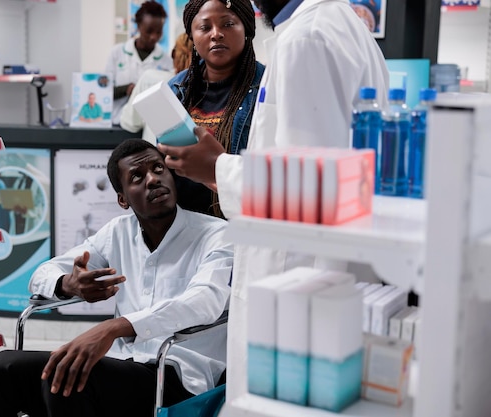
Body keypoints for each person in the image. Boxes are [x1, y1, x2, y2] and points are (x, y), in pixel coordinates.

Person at [157, 0, 389, 403]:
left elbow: (311, 186)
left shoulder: (306, 38)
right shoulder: (334, 24)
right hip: (318, 274)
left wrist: (217, 169)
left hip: (301, 280)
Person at [0, 139, 233, 417]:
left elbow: (205, 301)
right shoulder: (117, 233)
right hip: (122, 365)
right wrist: (67, 284)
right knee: (0, 370)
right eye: (137, 176)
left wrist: (114, 327)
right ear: (123, 198)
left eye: (158, 169)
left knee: (70, 381)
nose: (153, 179)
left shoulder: (216, 234)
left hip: (178, 375)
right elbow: (42, 274)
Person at [169, 0, 266, 218]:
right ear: (192, 37)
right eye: (204, 27)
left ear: (247, 31)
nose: (216, 34)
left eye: (228, 24)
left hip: (238, 227)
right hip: (183, 228)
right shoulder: (174, 89)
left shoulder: (268, 86)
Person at [105, 1, 173, 125]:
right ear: (138, 26)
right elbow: (103, 91)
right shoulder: (117, 53)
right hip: (118, 122)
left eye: (158, 32)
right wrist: (126, 89)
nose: (153, 37)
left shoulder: (167, 62)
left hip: (150, 126)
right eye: (149, 31)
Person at [120, 32, 194, 143]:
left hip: (156, 157)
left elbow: (130, 123)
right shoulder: (212, 86)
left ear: (173, 54)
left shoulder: (150, 79)